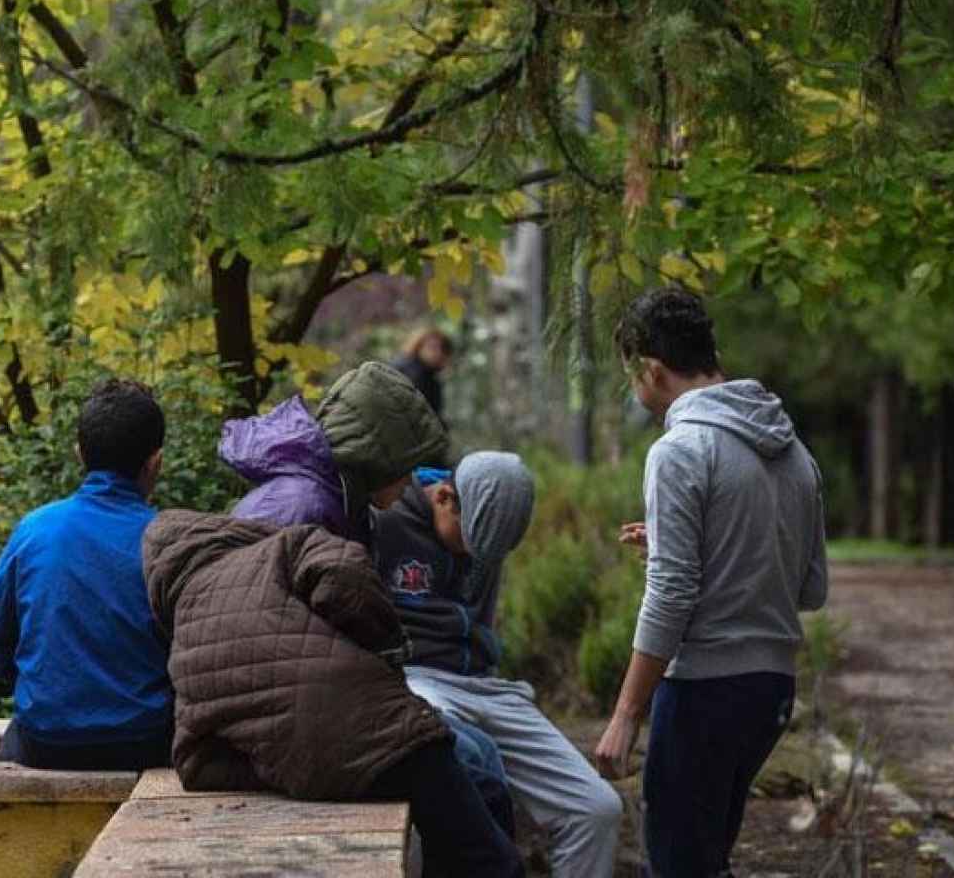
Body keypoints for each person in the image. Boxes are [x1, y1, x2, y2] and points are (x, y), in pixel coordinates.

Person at [143, 509, 524, 878]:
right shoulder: (279, 547)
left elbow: (196, 764)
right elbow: (344, 570)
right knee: (488, 839)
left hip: (316, 773)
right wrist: (384, 648)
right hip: (387, 731)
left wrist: (280, 765)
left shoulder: (184, 643)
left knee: (456, 833)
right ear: (218, 530)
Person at [593, 287, 828, 878]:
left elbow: (671, 594)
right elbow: (810, 589)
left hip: (703, 691)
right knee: (707, 860)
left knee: (676, 865)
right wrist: (703, 542)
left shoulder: (679, 450)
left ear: (650, 369)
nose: (634, 390)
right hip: (770, 692)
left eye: (632, 376)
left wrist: (626, 713)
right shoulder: (794, 451)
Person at [375, 453, 624, 878]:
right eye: (467, 540)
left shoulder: (489, 537)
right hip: (413, 678)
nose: (474, 557)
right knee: (433, 793)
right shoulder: (385, 520)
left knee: (597, 809)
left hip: (485, 685)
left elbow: (482, 619)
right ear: (446, 497)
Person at [0, 379, 173, 771]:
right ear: (156, 462)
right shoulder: (169, 539)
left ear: (79, 454)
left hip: (45, 742)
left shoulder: (35, 529)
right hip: (144, 741)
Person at [219, 360, 448, 543]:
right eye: (405, 467)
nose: (409, 481)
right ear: (375, 458)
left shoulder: (342, 501)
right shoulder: (300, 508)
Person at [390, 327, 454, 420]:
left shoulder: (431, 375)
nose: (437, 353)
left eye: (442, 349)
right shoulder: (410, 369)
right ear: (419, 346)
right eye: (432, 347)